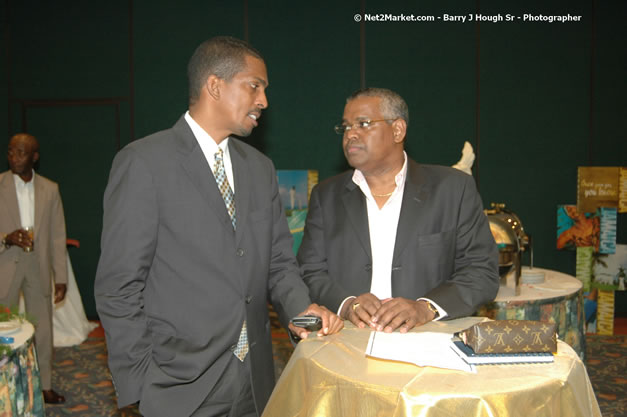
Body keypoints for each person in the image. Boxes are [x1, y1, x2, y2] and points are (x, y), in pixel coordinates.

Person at [94, 36, 343, 417]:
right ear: (214, 85)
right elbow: (118, 286)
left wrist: (302, 310)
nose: (264, 101)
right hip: (176, 384)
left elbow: (278, 264)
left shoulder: (259, 169)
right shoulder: (144, 162)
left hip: (255, 380)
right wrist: (140, 385)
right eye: (254, 86)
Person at [297, 88, 499, 333]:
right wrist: (348, 304)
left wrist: (426, 308)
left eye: (363, 123)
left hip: (429, 342)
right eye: (346, 127)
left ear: (397, 130)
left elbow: (481, 272)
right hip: (349, 342)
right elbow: (310, 271)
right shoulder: (326, 196)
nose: (351, 134)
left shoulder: (453, 189)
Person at [0, 133, 68, 404]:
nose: (14, 157)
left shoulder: (50, 189)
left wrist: (60, 277)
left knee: (42, 328)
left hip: (37, 265)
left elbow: (57, 236)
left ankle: (44, 385)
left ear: (34, 157)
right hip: (6, 263)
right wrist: (6, 237)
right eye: (10, 152)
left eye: (20, 152)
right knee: (3, 328)